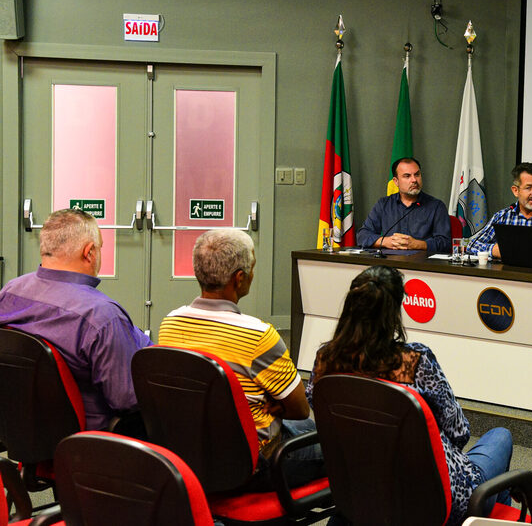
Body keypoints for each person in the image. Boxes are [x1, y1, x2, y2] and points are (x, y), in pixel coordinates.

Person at [307, 265, 513, 526]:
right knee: (501, 437)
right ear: (393, 314)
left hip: (360, 489)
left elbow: (321, 412)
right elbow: (459, 433)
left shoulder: (326, 358)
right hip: (432, 500)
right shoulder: (415, 361)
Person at [158, 229, 323, 485]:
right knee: (341, 444)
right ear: (239, 278)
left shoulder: (170, 323)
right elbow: (301, 409)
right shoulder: (259, 336)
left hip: (190, 453)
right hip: (255, 463)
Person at [0, 208, 151, 433]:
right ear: (89, 252)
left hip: (25, 429)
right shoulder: (102, 317)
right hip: (88, 441)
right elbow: (126, 400)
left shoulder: (11, 291)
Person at [356, 157, 451, 254]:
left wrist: (416, 244)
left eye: (417, 175)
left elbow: (445, 243)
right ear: (396, 181)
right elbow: (362, 235)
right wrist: (387, 242)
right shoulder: (384, 204)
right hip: (389, 262)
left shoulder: (436, 206)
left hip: (422, 265)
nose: (414, 180)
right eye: (407, 176)